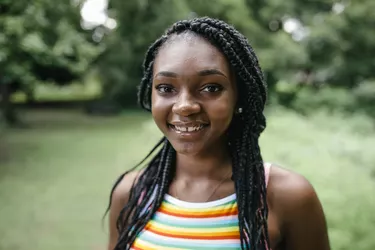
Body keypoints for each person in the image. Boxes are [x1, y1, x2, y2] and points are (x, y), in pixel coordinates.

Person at [106, 17, 330, 250]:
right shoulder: (131, 193)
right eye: (166, 88)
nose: (184, 106)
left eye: (211, 88)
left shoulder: (287, 197)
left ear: (238, 96)